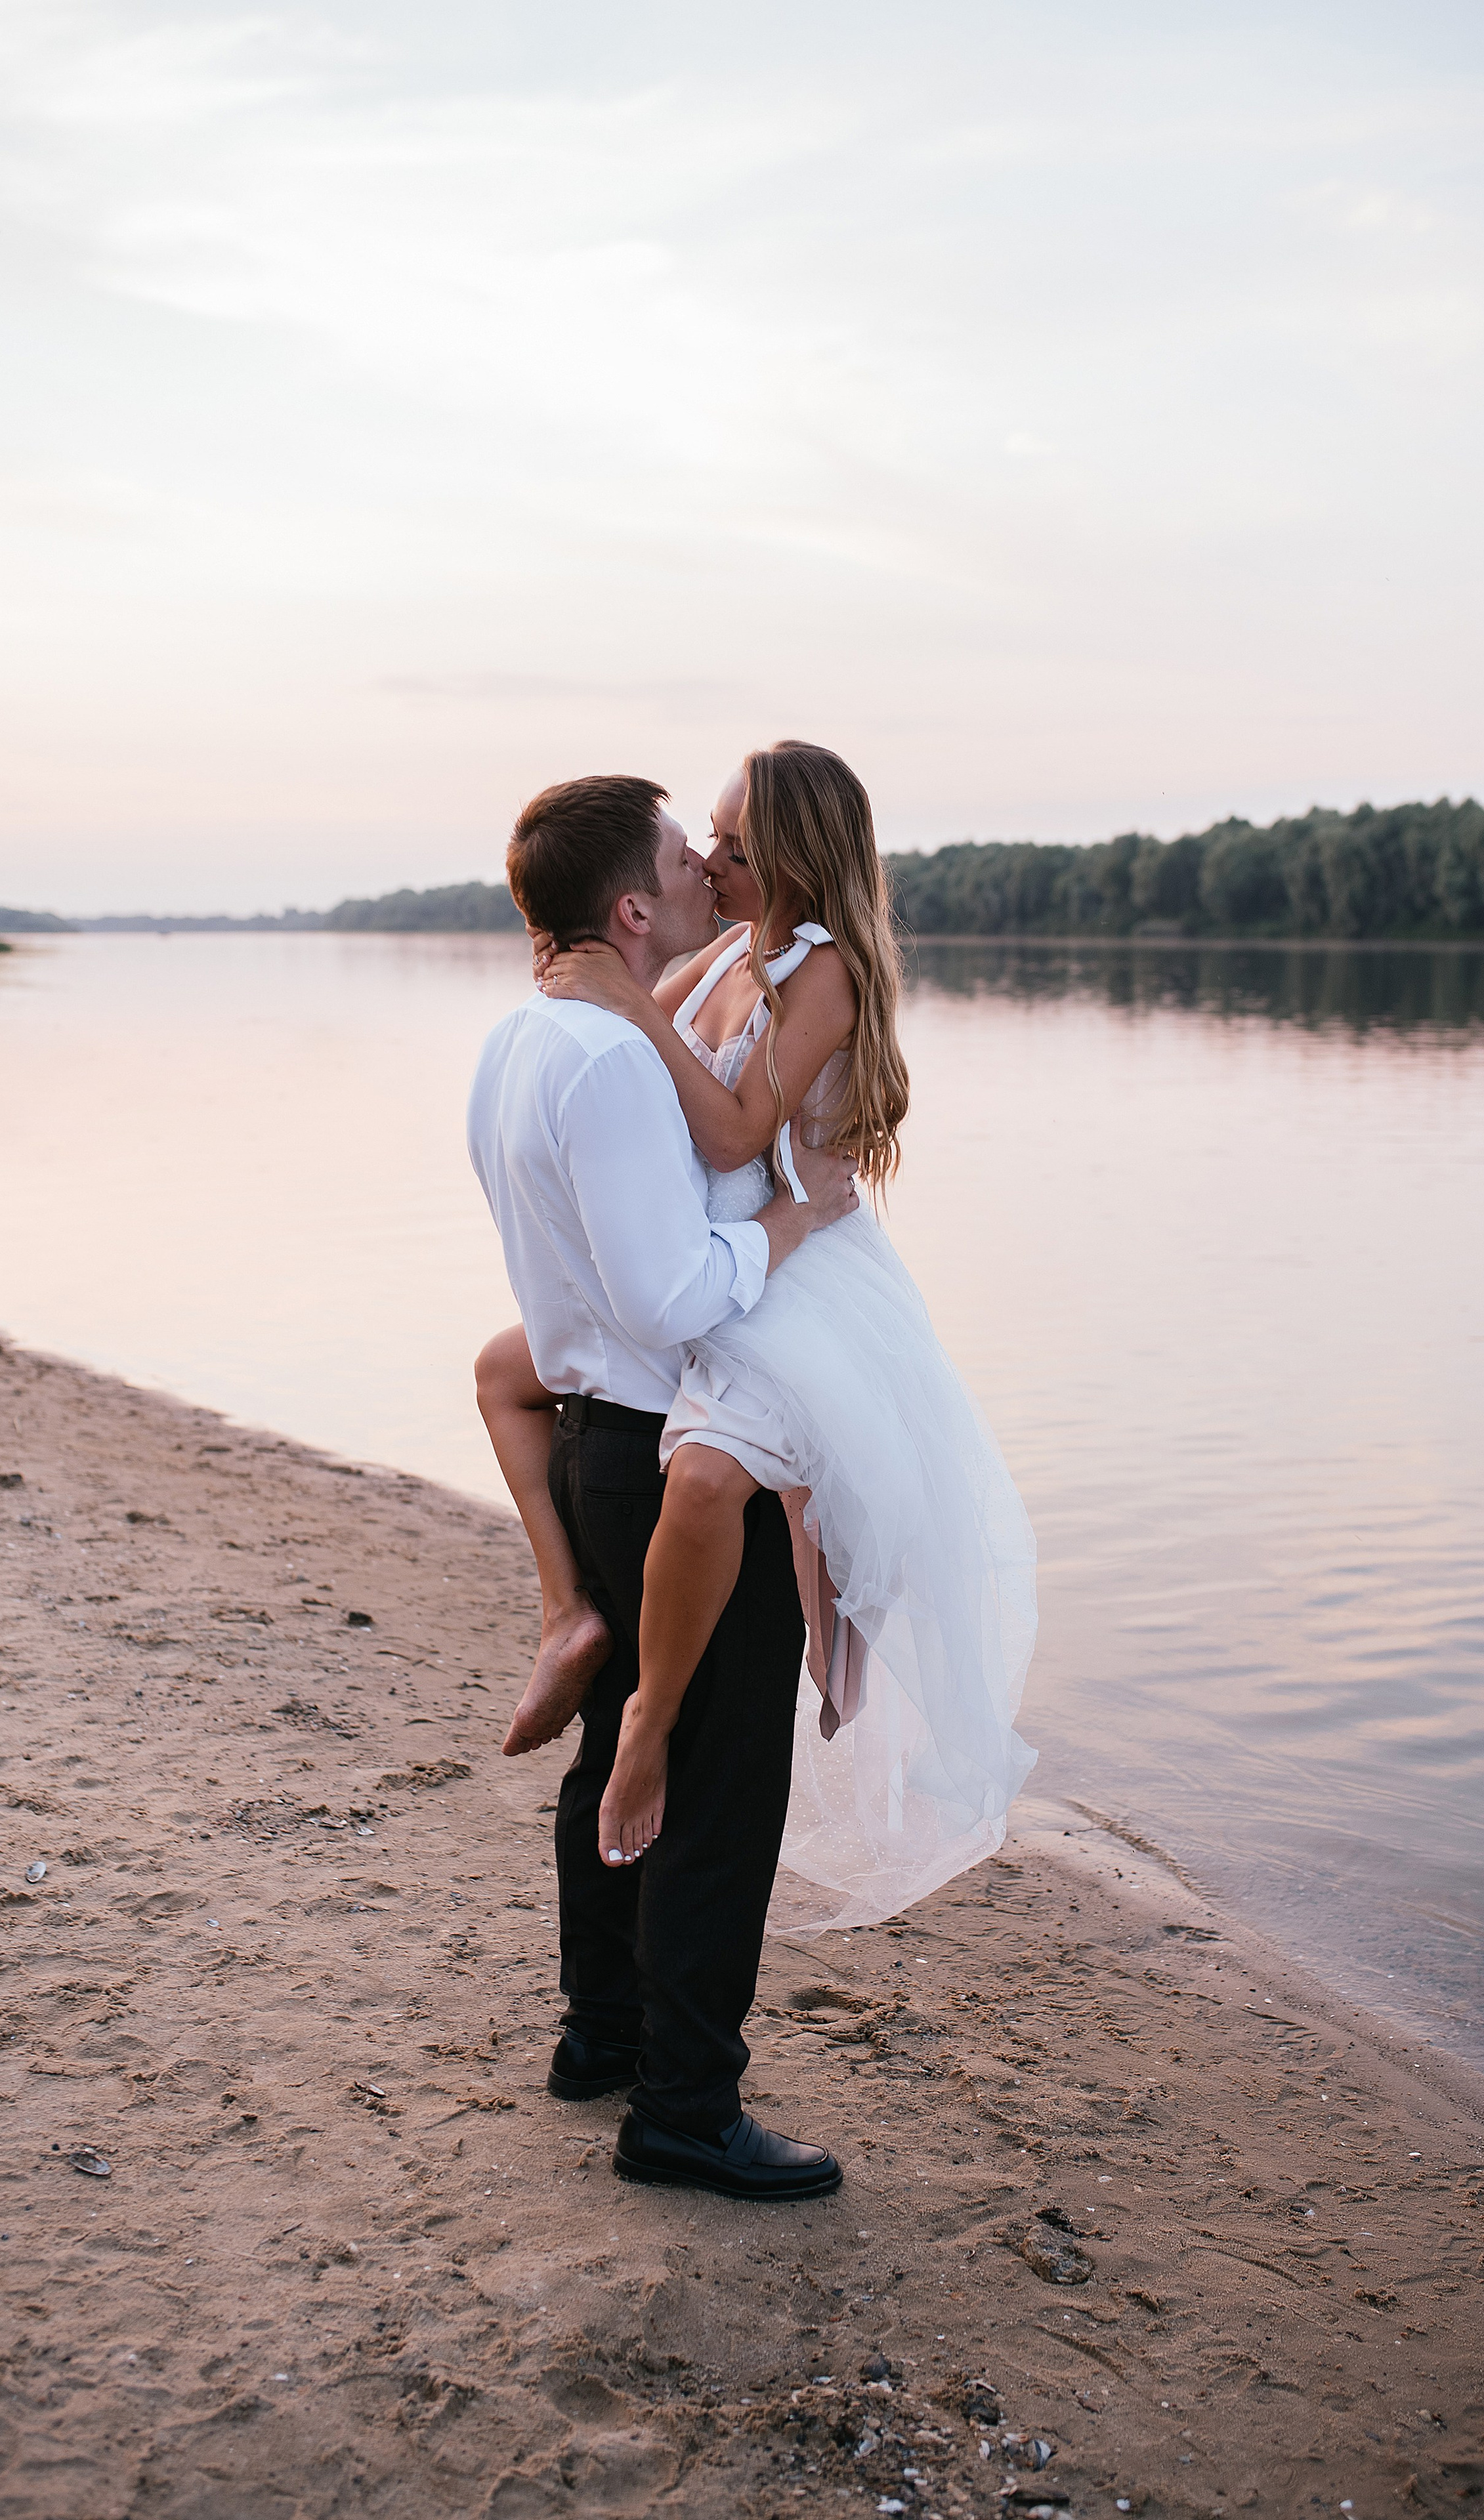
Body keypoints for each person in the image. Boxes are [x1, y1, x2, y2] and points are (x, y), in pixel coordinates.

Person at [483, 740, 1037, 1946]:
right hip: (731, 1260)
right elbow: (636, 1051)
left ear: (792, 853)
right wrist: (584, 986)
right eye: (710, 841)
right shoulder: (730, 949)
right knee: (507, 1372)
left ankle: (648, 1720)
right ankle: (570, 1613)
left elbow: (734, 1133)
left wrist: (629, 997)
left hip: (800, 1263)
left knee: (704, 1475)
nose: (715, 856)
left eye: (734, 841)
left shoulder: (824, 970)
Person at [466, 771, 857, 2202]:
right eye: (676, 856)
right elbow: (669, 1294)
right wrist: (789, 1232)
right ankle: (684, 2109)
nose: (702, 862)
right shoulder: (616, 1060)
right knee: (718, 1783)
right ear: (631, 909)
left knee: (617, 1755)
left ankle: (601, 2038)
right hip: (652, 1445)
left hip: (585, 1440)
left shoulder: (519, 1041)